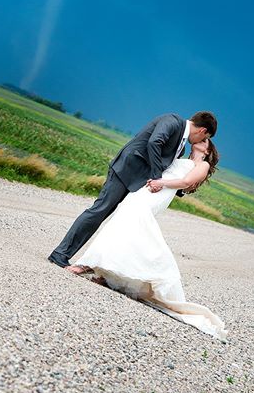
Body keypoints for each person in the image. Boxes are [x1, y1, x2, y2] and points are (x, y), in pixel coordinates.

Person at [71, 137, 227, 340]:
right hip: (150, 188)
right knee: (125, 223)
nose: (201, 139)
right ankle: (107, 273)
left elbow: (186, 182)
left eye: (206, 140)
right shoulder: (181, 156)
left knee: (135, 222)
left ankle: (89, 265)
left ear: (207, 150)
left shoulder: (203, 164)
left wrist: (160, 182)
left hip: (160, 191)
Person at [48, 111, 217, 270]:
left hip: (138, 182)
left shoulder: (181, 147)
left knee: (120, 220)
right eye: (206, 137)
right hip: (126, 171)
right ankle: (60, 254)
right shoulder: (172, 121)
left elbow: (171, 169)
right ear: (203, 130)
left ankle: (107, 265)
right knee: (99, 211)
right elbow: (154, 142)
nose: (200, 141)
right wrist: (157, 177)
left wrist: (177, 188)